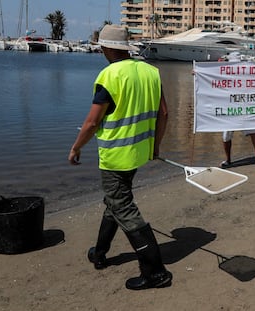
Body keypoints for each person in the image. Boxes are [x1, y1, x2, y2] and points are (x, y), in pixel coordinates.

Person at [68, 24, 171, 290]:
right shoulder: (151, 72)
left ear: (105, 49)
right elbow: (164, 114)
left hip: (115, 157)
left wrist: (76, 147)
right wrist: (155, 146)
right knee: (115, 201)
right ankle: (99, 253)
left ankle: (155, 271)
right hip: (138, 153)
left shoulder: (109, 76)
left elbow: (91, 123)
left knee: (123, 206)